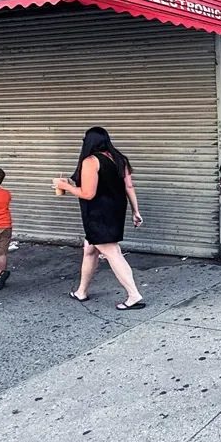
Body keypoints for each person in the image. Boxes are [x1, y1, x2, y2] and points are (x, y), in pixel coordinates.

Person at [53, 127, 145, 310]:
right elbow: (129, 187)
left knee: (112, 252)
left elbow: (88, 194)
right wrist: (136, 211)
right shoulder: (119, 158)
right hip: (116, 209)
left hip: (98, 213)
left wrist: (64, 186)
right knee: (90, 251)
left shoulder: (91, 161)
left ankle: (134, 295)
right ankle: (81, 291)